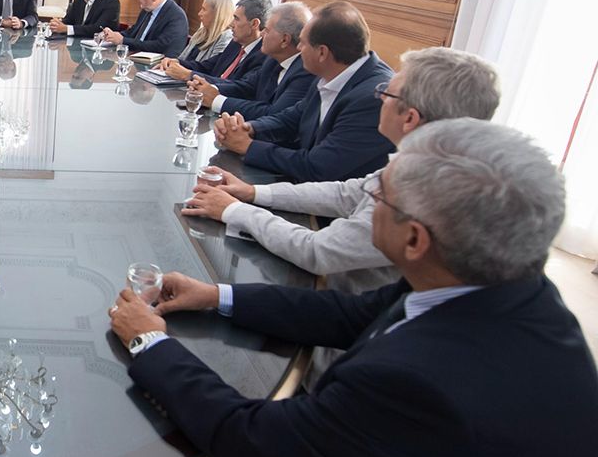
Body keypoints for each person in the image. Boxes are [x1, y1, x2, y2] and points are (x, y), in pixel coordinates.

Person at [110, 117, 598, 457]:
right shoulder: (497, 283)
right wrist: (217, 296)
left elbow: (247, 434)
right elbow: (346, 314)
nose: (367, 194)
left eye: (380, 193)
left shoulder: (422, 384)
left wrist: (150, 342)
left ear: (414, 239)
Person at [186, 47, 501, 294]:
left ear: (410, 119)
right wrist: (253, 192)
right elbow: (346, 192)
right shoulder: (429, 159)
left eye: (387, 95)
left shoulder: (425, 191)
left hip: (348, 315)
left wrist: (235, 211)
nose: (379, 98)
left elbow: (318, 252)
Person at [214, 1, 394, 182]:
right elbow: (292, 118)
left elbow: (319, 167)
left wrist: (248, 146)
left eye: (303, 43)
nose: (298, 49)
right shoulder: (330, 71)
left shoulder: (373, 97)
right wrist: (248, 128)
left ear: (322, 53)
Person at [186, 1, 315, 121]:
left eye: (267, 30)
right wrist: (209, 88)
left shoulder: (304, 72)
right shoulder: (273, 60)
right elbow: (246, 87)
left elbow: (274, 113)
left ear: (285, 40)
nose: (262, 33)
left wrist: (216, 100)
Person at [162, 0, 272, 83]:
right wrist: (177, 62)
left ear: (254, 24)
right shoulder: (236, 44)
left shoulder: (263, 56)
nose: (232, 24)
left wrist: (189, 75)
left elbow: (237, 86)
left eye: (237, 19)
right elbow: (208, 66)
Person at [100, 0, 189, 57]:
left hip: (157, 66)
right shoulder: (147, 9)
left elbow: (160, 46)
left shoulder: (176, 17)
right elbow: (132, 33)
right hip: (133, 57)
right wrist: (113, 35)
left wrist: (123, 40)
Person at [176, 0, 235, 66]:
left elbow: (210, 68)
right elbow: (182, 59)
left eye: (204, 9)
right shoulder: (201, 32)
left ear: (216, 14)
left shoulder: (226, 38)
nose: (199, 13)